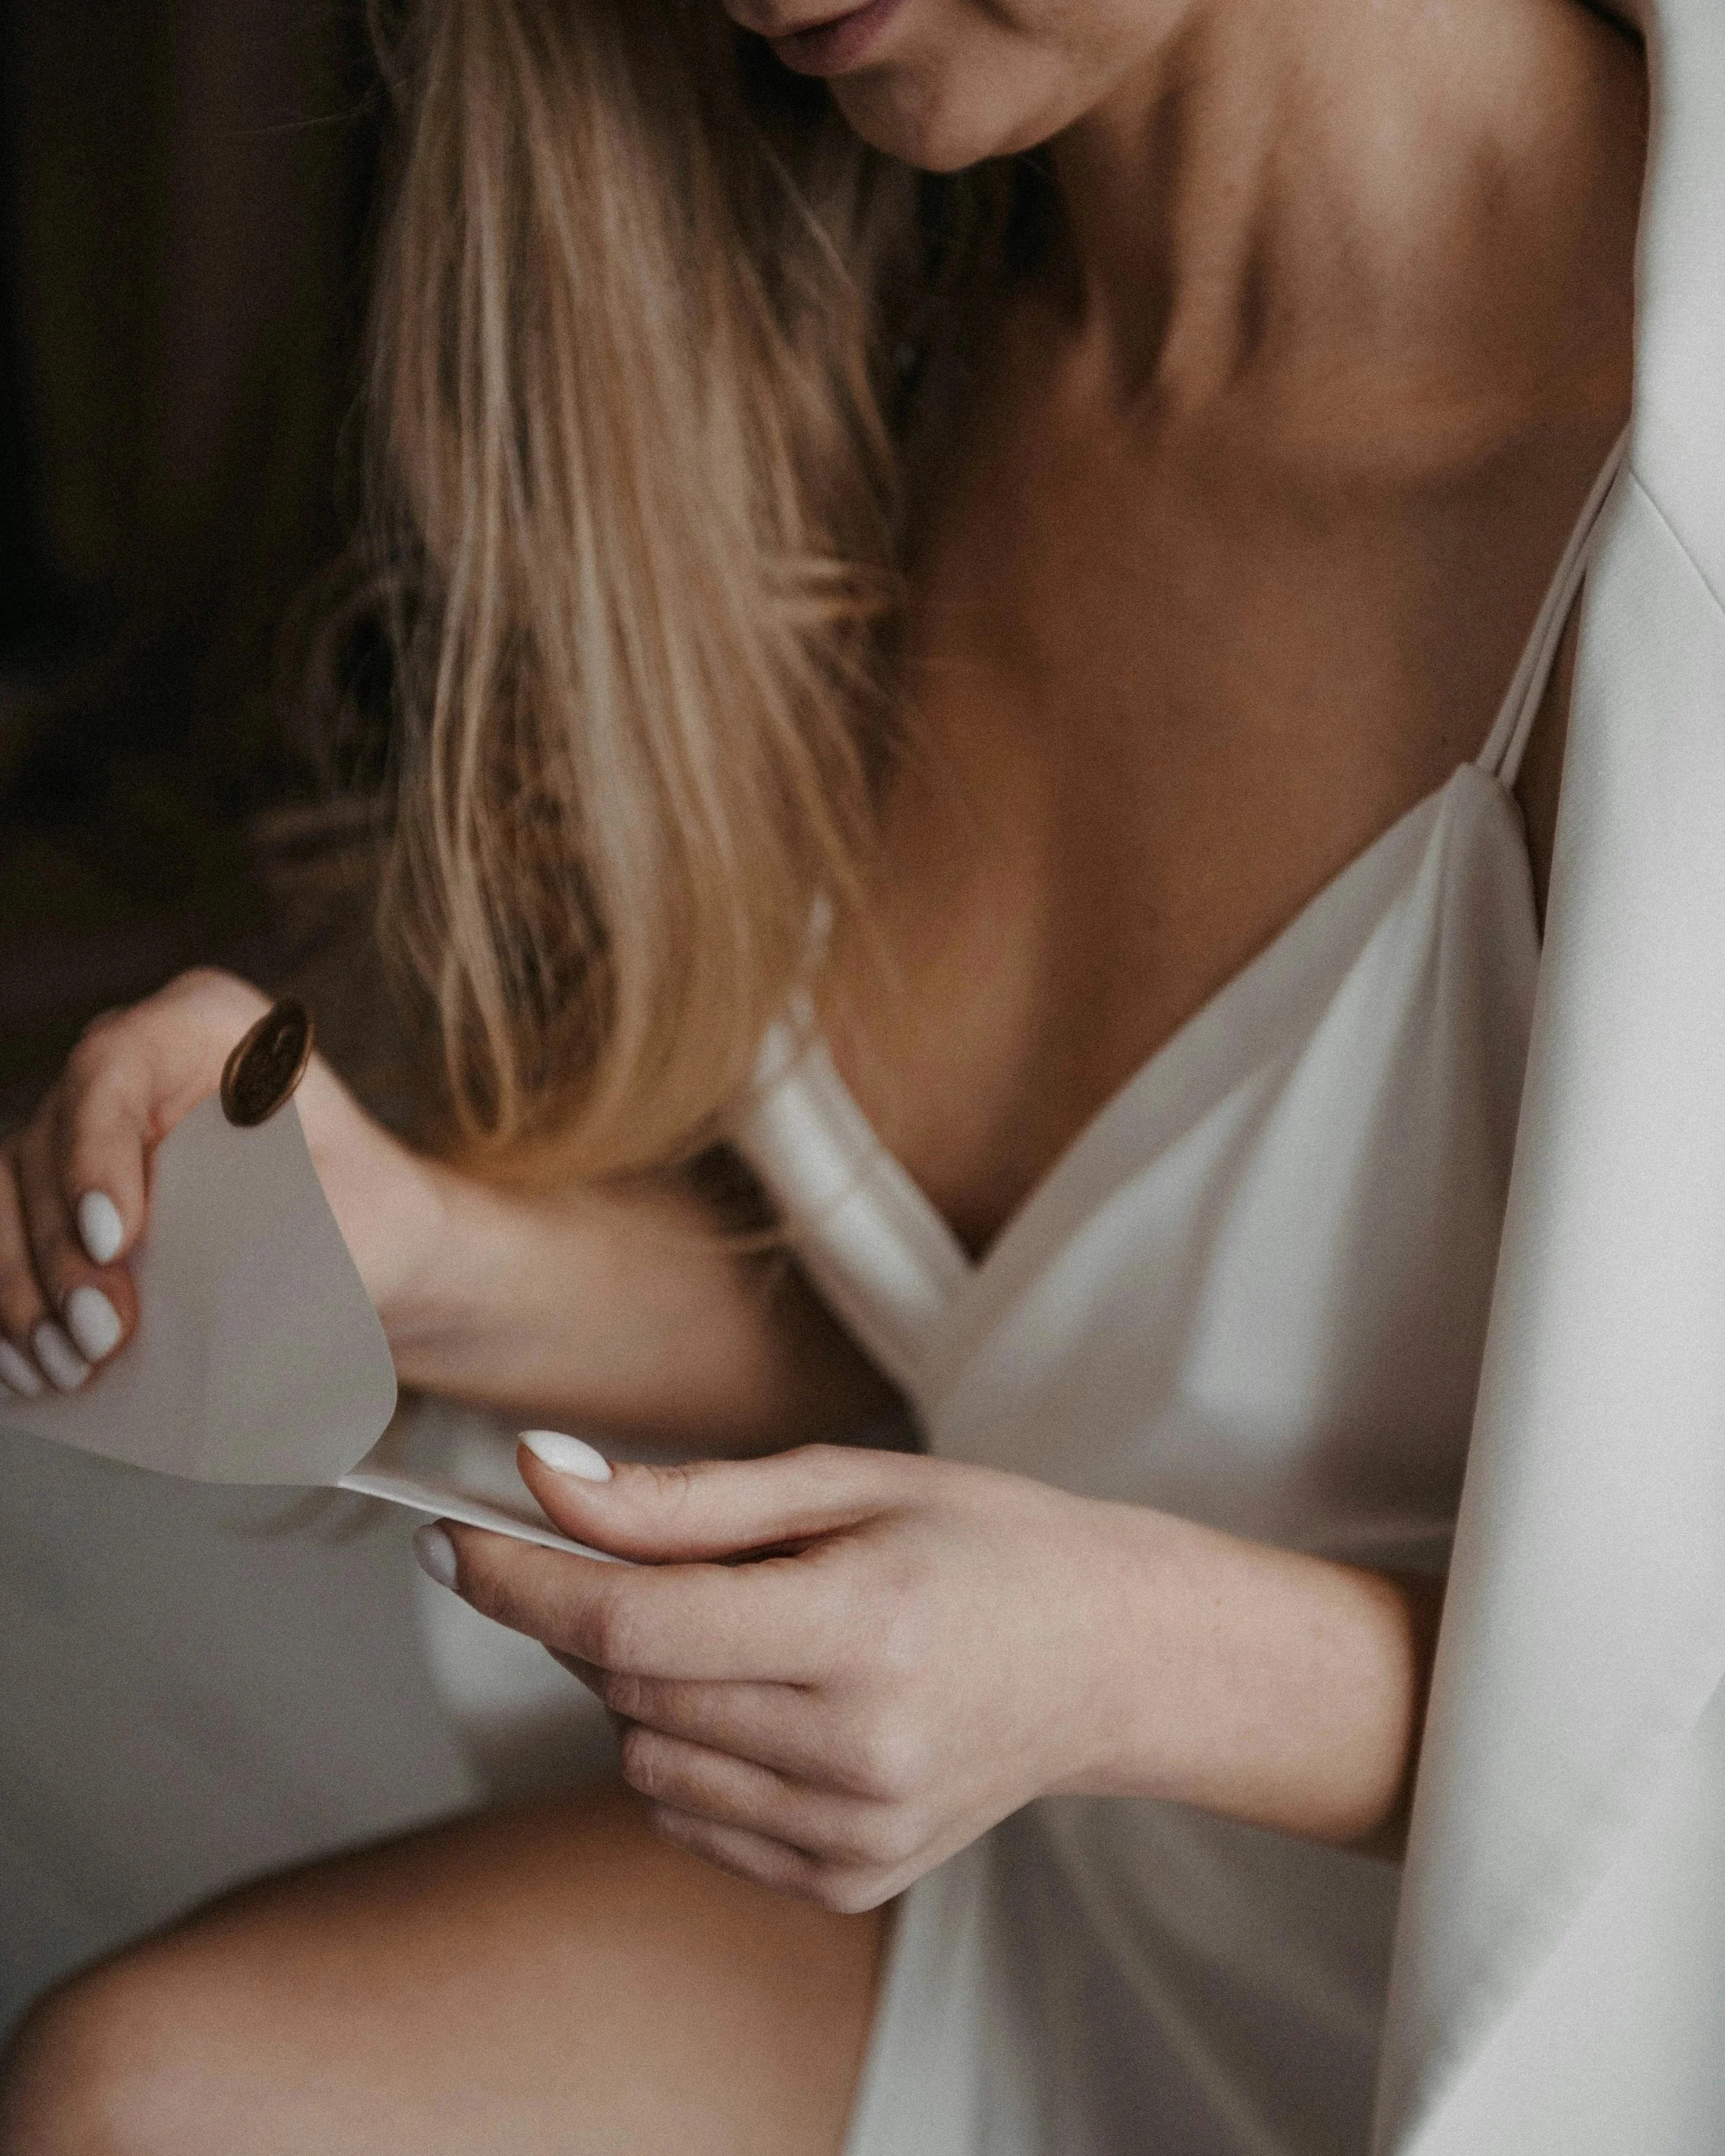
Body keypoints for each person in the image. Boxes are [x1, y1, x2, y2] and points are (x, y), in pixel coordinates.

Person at [0, 0, 1702, 2148]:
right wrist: (420, 1251)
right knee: (141, 2101)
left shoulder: (1682, 483)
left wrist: (1124, 1663)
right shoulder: (855, 317)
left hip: (1544, 2036)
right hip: (1044, 1909)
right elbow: (1000, 1357)